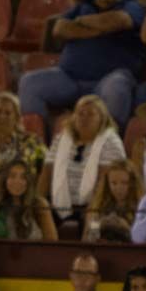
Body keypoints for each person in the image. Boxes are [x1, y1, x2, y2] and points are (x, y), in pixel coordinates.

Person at [18, 0, 146, 133]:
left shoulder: (132, 6)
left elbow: (118, 20)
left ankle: (106, 145)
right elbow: (59, 29)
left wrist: (79, 22)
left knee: (116, 87)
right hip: (69, 78)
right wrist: (99, 30)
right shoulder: (83, 6)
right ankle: (36, 145)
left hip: (107, 80)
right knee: (29, 83)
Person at [42, 94, 126, 222]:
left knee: (92, 218)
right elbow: (46, 176)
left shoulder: (111, 142)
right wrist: (35, 205)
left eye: (91, 114)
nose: (84, 118)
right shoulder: (60, 139)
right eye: (80, 114)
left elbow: (105, 186)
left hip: (98, 206)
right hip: (59, 205)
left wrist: (91, 211)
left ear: (102, 119)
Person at [0, 160, 58, 241]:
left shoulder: (39, 204)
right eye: (12, 176)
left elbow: (52, 240)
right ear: (5, 180)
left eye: (23, 177)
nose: (17, 181)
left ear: (28, 181)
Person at [83, 157, 141, 240]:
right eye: (114, 183)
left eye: (124, 183)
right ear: (107, 184)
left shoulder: (142, 205)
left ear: (132, 183)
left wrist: (125, 228)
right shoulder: (97, 205)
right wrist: (100, 225)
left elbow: (144, 241)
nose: (119, 188)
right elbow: (88, 240)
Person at [50, 253, 116, 291]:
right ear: (71, 276)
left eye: (88, 274)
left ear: (97, 279)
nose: (82, 279)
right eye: (78, 272)